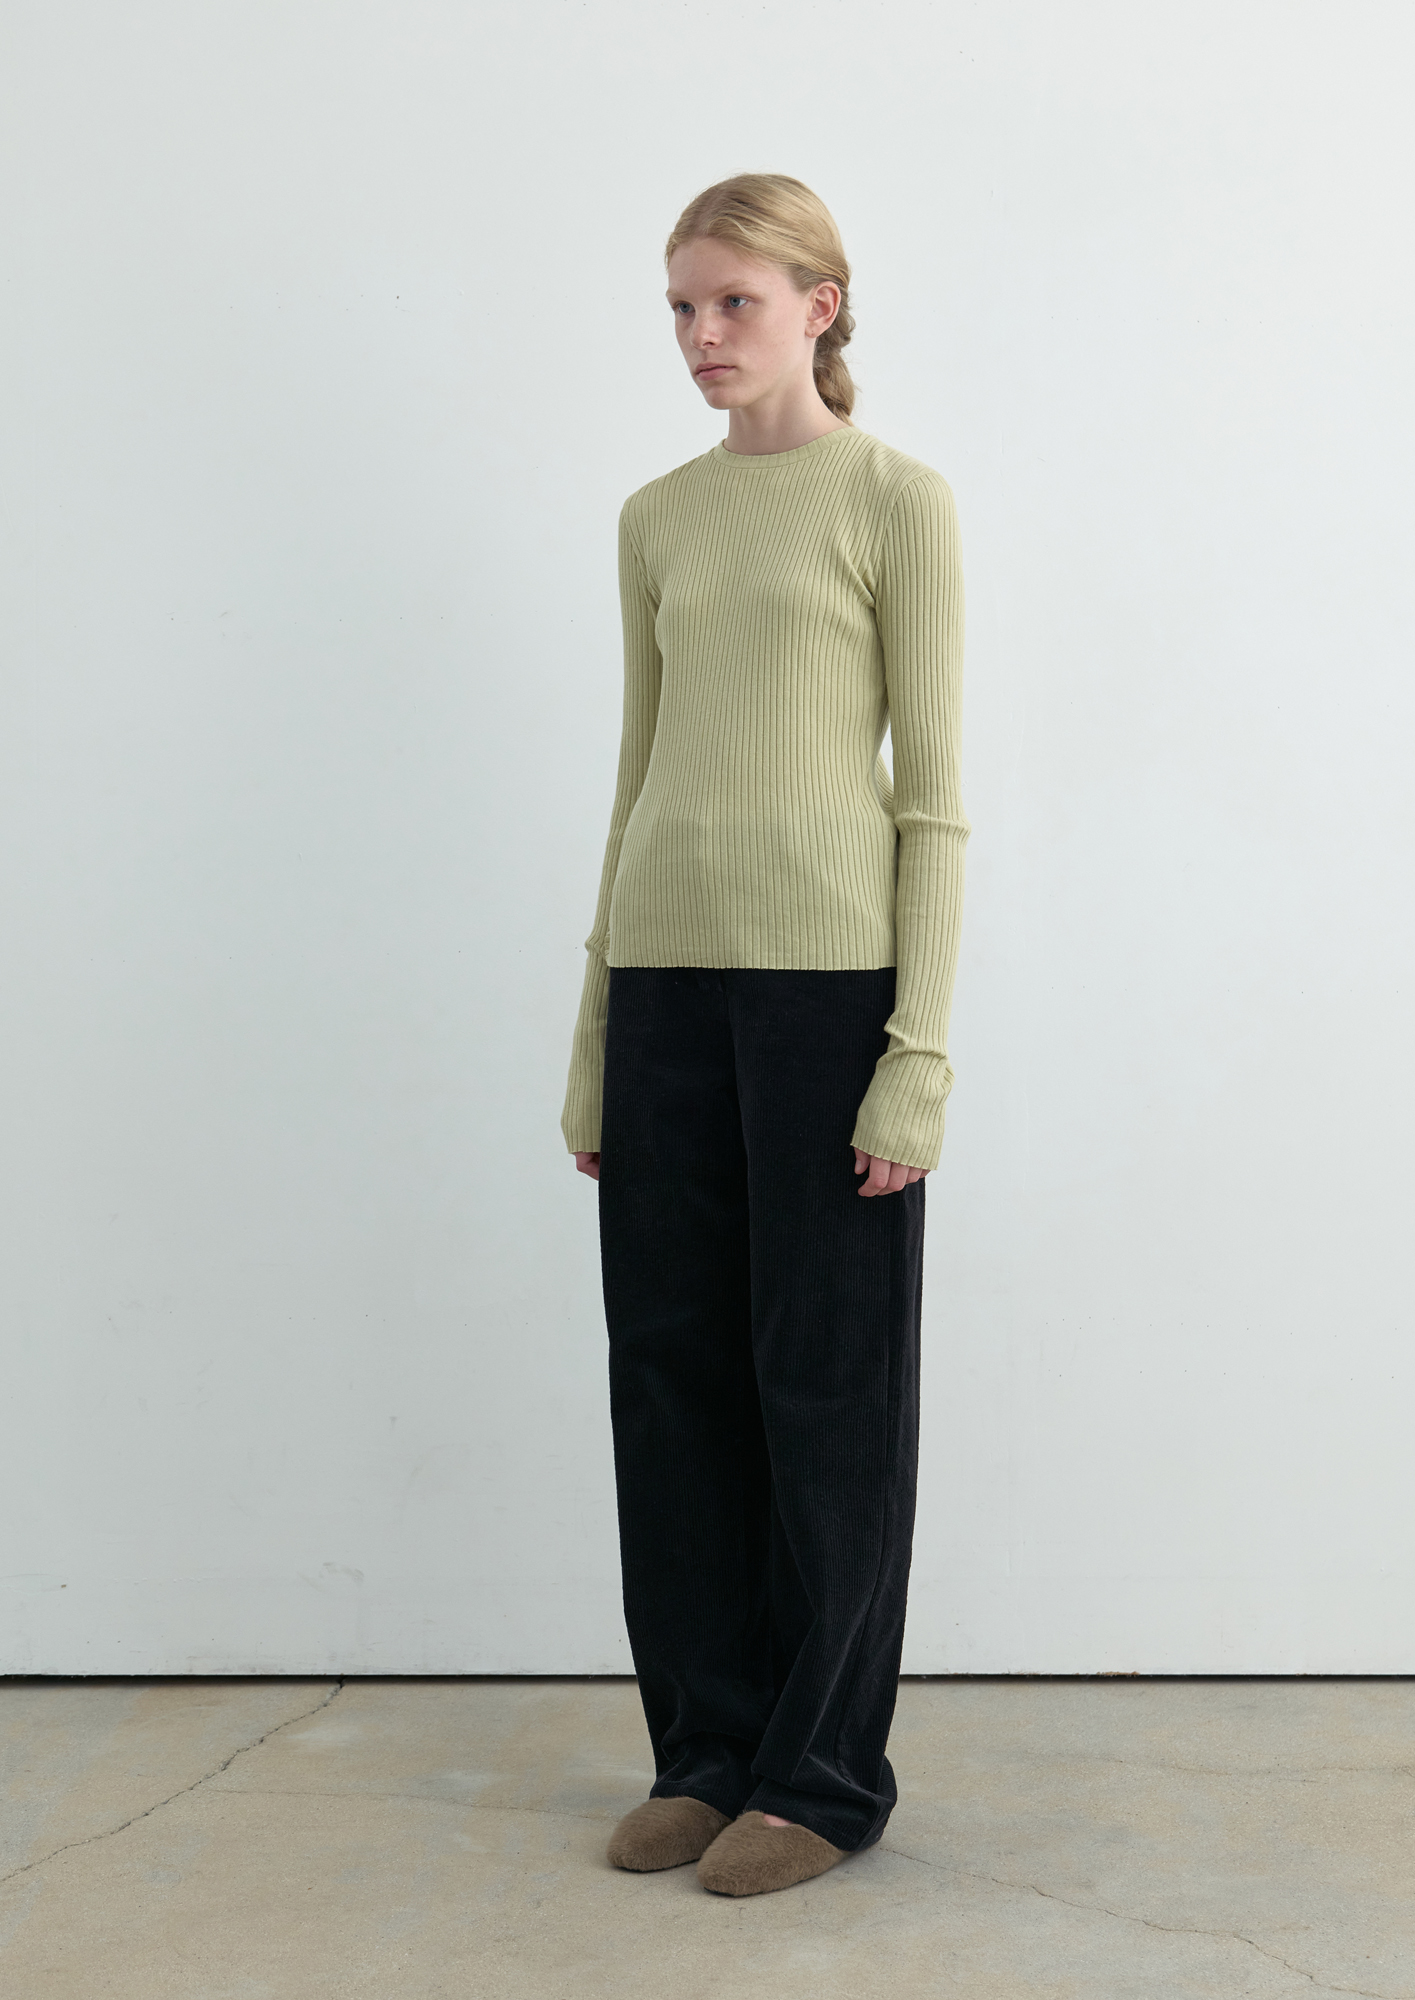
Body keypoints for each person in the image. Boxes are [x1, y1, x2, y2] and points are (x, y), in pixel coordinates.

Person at [560, 173, 969, 1898]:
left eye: (733, 300)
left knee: (828, 1388)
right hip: (664, 985)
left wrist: (916, 1056)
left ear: (820, 305)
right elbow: (636, 777)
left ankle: (820, 1775)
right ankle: (705, 1752)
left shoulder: (894, 502)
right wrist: (593, 1033)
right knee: (671, 1383)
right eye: (681, 305)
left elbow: (933, 802)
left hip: (826, 996)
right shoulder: (657, 517)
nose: (701, 335)